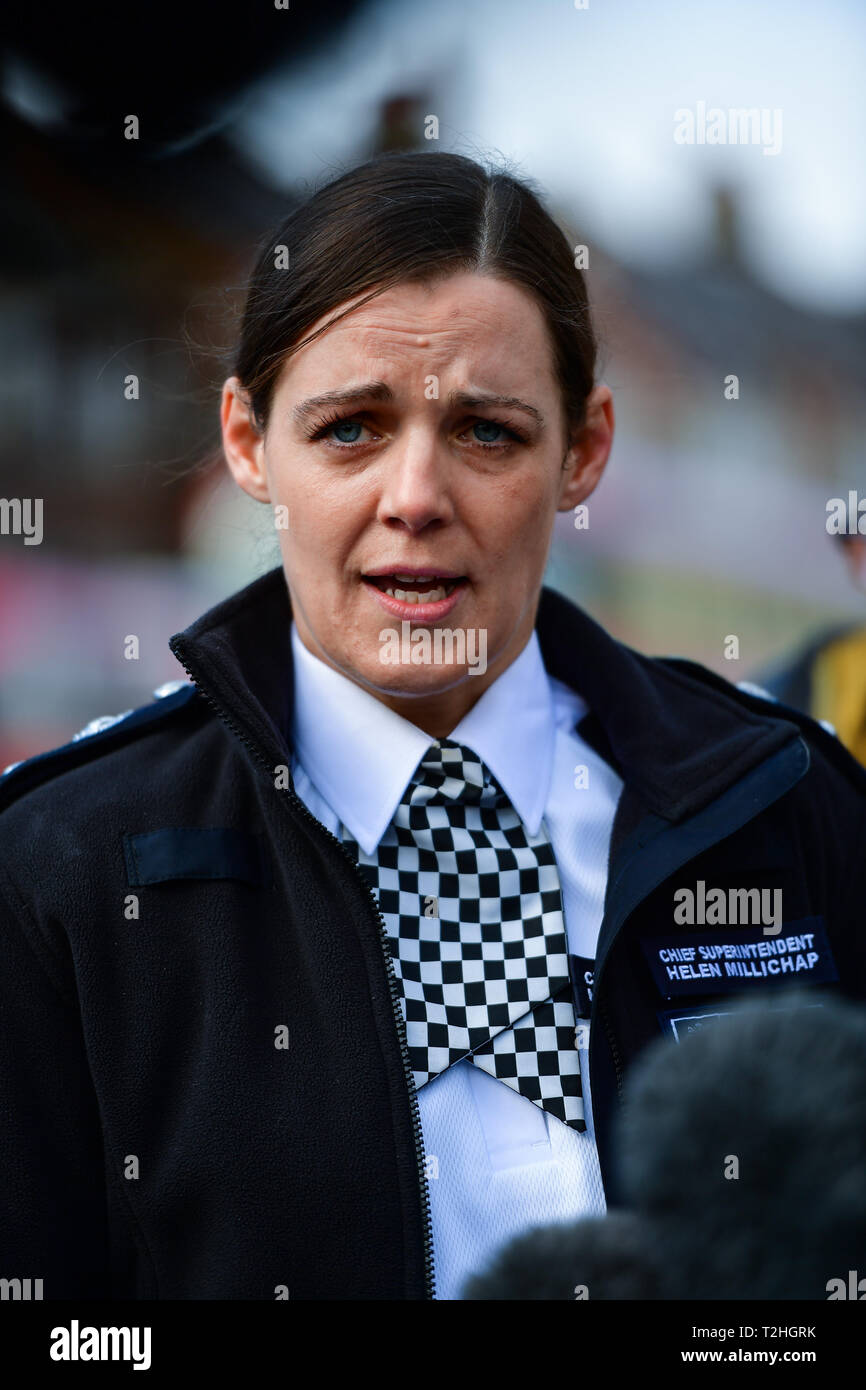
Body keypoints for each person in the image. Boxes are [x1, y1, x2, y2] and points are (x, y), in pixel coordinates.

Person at [1, 150, 865, 1302]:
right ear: (250, 445)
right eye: (350, 429)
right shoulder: (60, 876)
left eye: (486, 432)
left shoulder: (786, 805)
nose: (415, 495)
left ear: (584, 449)